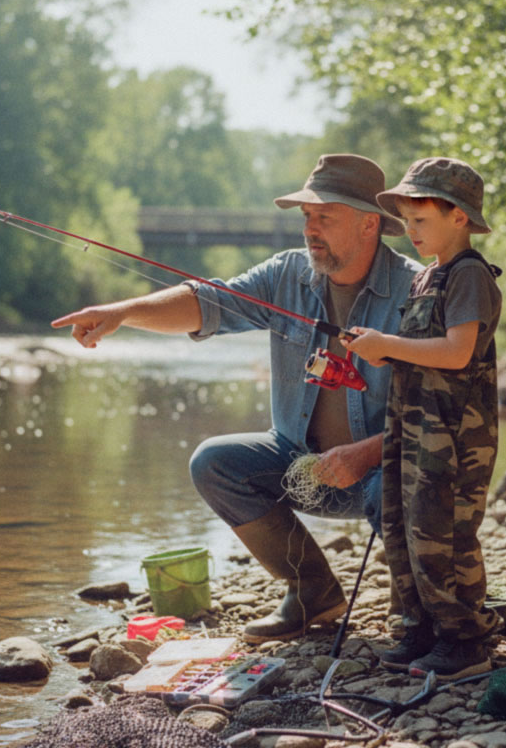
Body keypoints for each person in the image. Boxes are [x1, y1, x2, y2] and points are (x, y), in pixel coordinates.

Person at [51, 154, 422, 643]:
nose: (310, 228)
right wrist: (123, 312)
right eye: (306, 215)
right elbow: (207, 302)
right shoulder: (287, 274)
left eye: (325, 216)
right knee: (214, 463)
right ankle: (312, 591)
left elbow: (436, 416)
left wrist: (366, 454)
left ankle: (415, 606)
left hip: (382, 472)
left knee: (399, 482)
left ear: (369, 223)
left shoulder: (416, 290)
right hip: (302, 467)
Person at [341, 157, 502, 680]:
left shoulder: (469, 274)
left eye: (420, 220)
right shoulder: (427, 276)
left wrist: (388, 343)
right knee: (402, 525)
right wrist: (377, 352)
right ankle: (420, 628)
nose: (409, 230)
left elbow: (457, 351)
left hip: (453, 436)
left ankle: (465, 641)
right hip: (411, 429)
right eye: (406, 220)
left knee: (444, 533)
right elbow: (420, 352)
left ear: (459, 216)